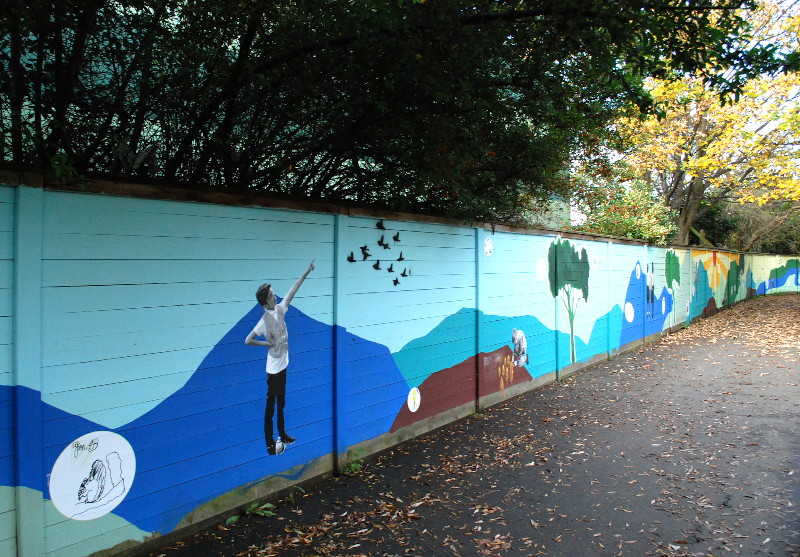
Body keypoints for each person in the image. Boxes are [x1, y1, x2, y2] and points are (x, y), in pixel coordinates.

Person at [246, 261, 315, 455]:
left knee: (281, 402)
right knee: (271, 405)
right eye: (270, 296)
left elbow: (292, 291)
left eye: (273, 293)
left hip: (283, 364)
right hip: (273, 369)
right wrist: (265, 344)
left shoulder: (280, 309)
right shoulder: (263, 322)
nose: (274, 297)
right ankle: (270, 444)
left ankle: (283, 434)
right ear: (264, 303)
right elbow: (248, 340)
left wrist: (306, 271)